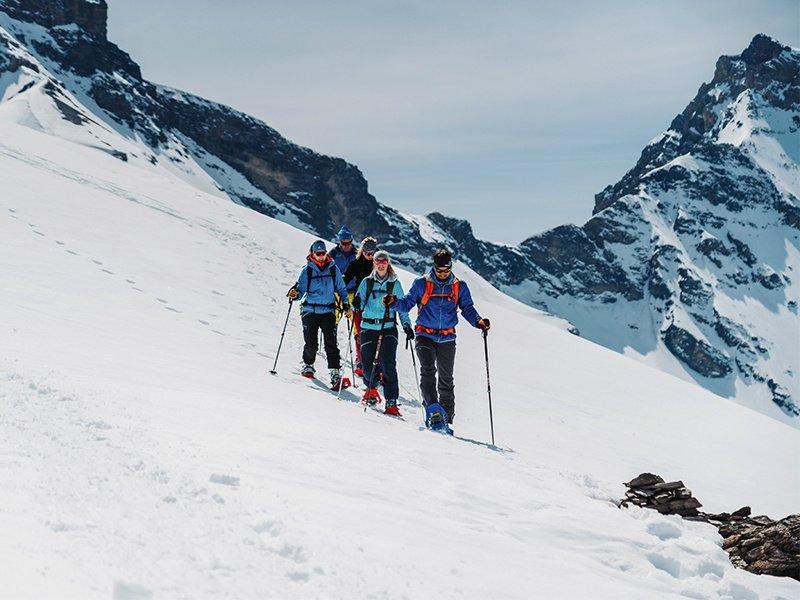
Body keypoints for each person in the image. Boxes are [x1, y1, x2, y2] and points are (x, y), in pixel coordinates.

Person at [384, 249, 490, 430]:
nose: (442, 274)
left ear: (450, 268)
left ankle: (446, 417)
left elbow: (467, 308)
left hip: (448, 337)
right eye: (439, 270)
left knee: (446, 379)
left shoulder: (459, 286)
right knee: (427, 371)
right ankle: (433, 410)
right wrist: (394, 302)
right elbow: (408, 303)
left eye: (446, 271)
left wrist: (479, 322)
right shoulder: (421, 283)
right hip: (424, 335)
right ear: (434, 267)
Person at [354, 250, 412, 416]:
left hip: (388, 327)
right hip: (368, 327)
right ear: (374, 263)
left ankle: (391, 401)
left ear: (388, 263)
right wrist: (356, 303)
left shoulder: (395, 284)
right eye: (378, 261)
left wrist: (407, 326)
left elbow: (401, 308)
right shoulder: (367, 282)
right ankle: (372, 388)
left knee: (388, 363)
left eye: (384, 261)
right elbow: (359, 303)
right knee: (366, 365)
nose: (381, 264)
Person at [287, 240, 352, 388]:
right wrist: (294, 294)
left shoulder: (333, 269)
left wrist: (346, 305)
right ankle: (308, 365)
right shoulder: (307, 270)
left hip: (328, 310)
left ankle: (335, 373)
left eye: (323, 253)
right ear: (312, 254)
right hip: (310, 310)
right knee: (311, 344)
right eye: (318, 254)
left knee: (331, 342)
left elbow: (341, 289)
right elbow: (300, 290)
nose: (322, 256)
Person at [344, 236, 378, 376]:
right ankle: (361, 360)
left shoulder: (380, 263)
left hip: (376, 303)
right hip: (360, 302)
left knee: (376, 332)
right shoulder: (355, 264)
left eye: (372, 253)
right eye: (366, 253)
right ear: (362, 251)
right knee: (359, 332)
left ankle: (377, 362)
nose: (369, 256)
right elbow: (345, 280)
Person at [329, 225, 358, 325]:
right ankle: (331, 339)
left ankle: (358, 339)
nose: (346, 245)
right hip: (336, 292)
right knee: (332, 320)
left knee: (355, 321)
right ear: (339, 241)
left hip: (352, 292)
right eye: (343, 243)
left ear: (351, 240)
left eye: (348, 242)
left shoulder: (357, 254)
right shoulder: (333, 254)